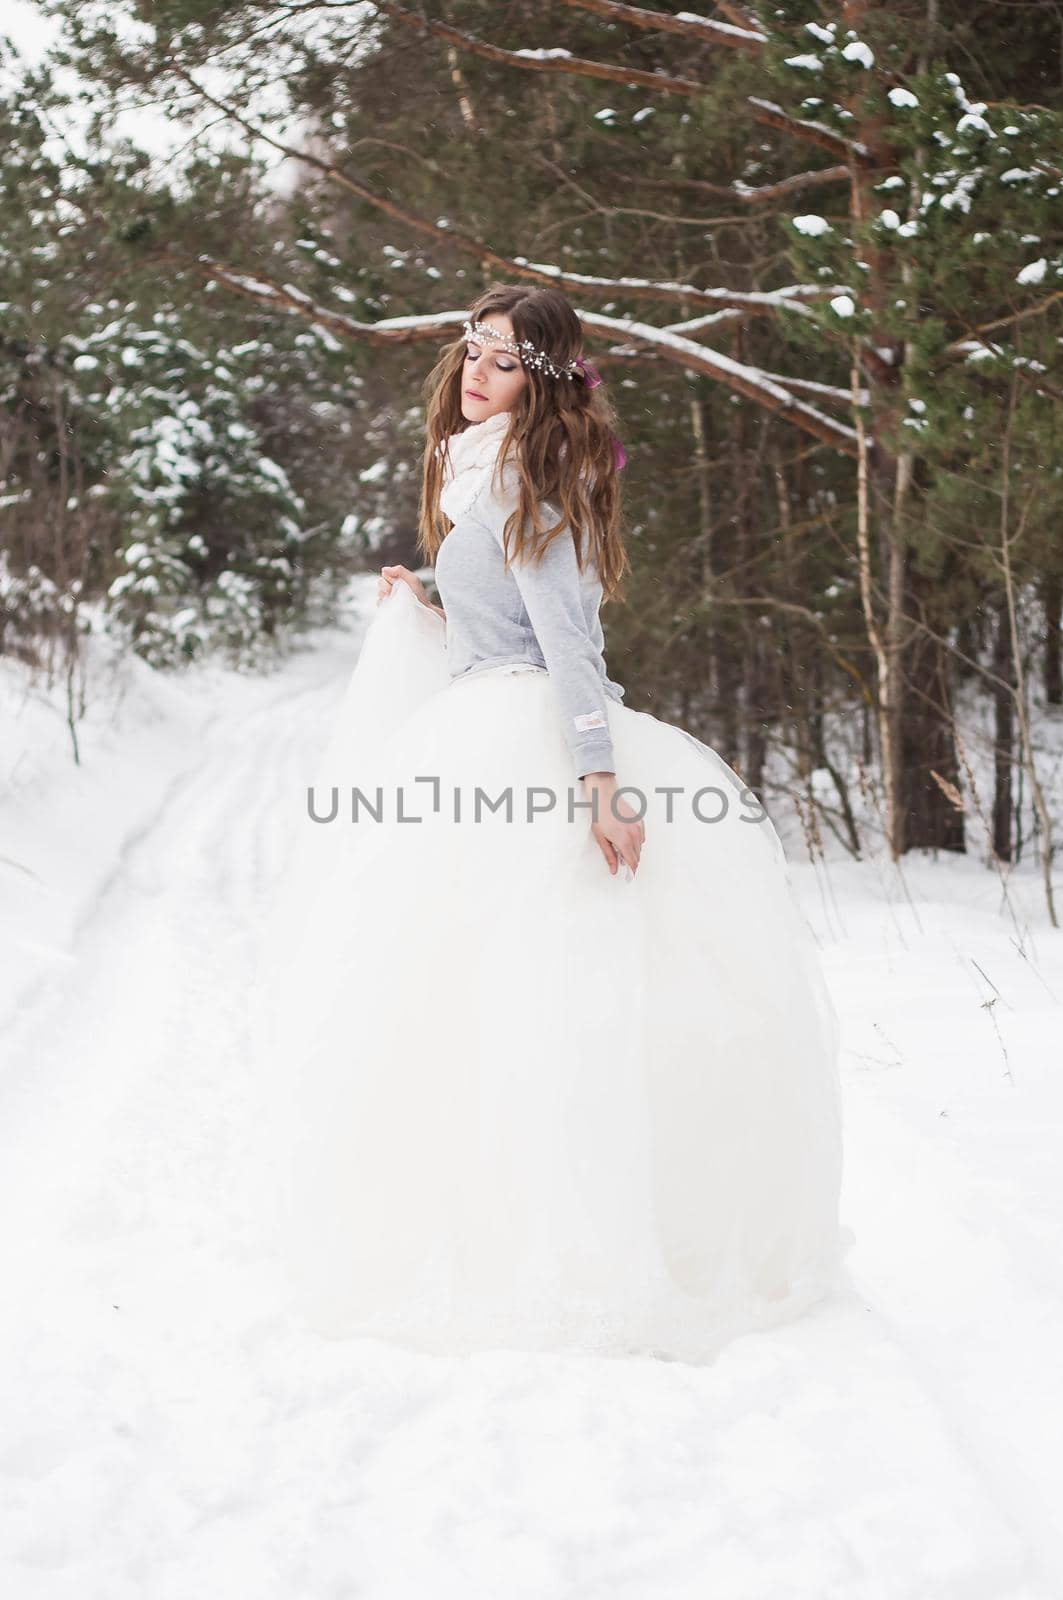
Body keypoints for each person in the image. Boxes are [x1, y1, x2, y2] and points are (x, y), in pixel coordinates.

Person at [252, 282, 849, 1364]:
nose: (474, 371)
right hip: (484, 716)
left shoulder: (536, 474)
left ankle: (581, 1253)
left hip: (535, 745)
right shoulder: (476, 466)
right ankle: (475, 1230)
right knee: (464, 1001)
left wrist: (597, 780)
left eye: (502, 361)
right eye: (469, 350)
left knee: (556, 1000)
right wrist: (424, 606)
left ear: (543, 383)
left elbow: (568, 643)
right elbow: (498, 630)